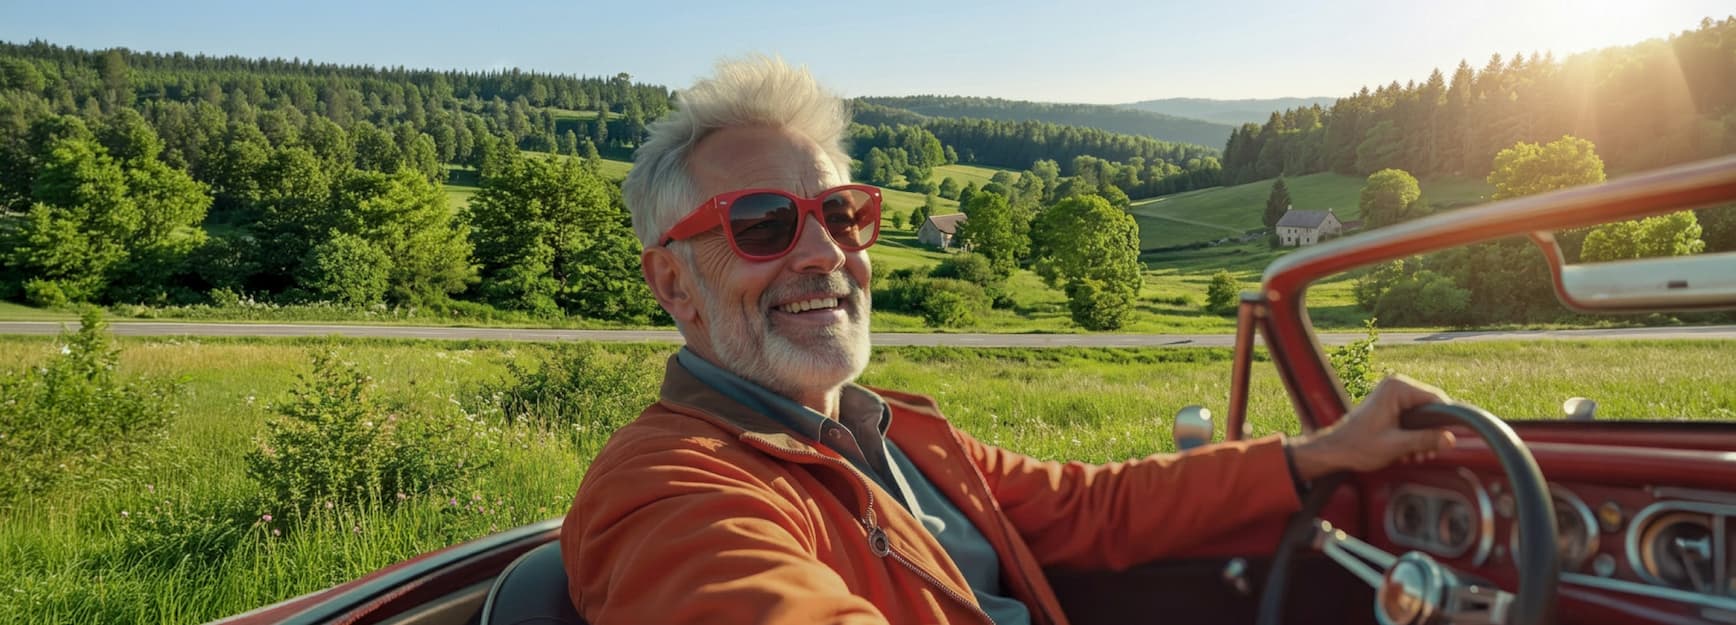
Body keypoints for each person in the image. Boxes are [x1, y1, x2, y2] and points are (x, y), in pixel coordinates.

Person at [560, 56, 1455, 625]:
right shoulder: (667, 488)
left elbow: (1096, 507)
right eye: (763, 223)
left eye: (840, 212)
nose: (826, 252)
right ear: (673, 281)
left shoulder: (899, 435)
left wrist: (1326, 450)